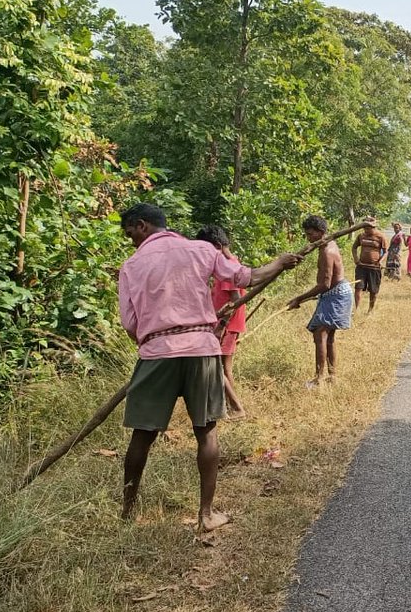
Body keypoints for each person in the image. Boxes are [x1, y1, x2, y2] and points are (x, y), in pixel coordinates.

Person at [117, 203, 299, 531]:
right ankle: (206, 515)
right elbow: (247, 277)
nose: (132, 240)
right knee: (206, 431)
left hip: (156, 353)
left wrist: (152, 344)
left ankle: (127, 514)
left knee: (142, 435)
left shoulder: (132, 265)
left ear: (142, 225)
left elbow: (130, 323)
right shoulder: (202, 250)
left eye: (131, 233)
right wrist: (280, 263)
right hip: (201, 349)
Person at [288, 215, 351, 388]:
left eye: (310, 234)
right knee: (328, 336)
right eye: (307, 234)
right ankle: (332, 376)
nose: (308, 238)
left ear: (321, 232)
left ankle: (319, 379)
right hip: (334, 294)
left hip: (336, 295)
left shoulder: (327, 251)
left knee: (320, 334)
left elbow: (324, 284)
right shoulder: (327, 246)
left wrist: (299, 298)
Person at [194, 226, 248, 420]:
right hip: (227, 324)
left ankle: (236, 408)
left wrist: (221, 326)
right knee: (223, 366)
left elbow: (235, 300)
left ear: (217, 246)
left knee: (219, 366)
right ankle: (229, 406)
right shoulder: (232, 264)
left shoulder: (227, 268)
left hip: (226, 326)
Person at [351, 216, 386, 314]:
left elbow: (385, 251)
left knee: (373, 290)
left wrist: (381, 261)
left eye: (368, 228)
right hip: (361, 267)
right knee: (358, 288)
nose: (366, 230)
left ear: (373, 227)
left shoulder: (380, 237)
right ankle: (357, 309)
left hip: (374, 268)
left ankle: (370, 310)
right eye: (364, 228)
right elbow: (354, 247)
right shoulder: (361, 236)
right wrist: (356, 259)